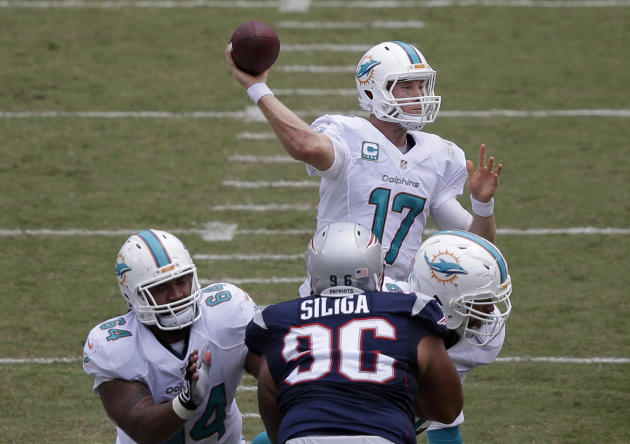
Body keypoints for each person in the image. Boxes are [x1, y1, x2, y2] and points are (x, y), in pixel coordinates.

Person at [226, 40, 503, 298]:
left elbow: (478, 249)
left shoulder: (438, 155)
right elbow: (305, 146)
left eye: (422, 86)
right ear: (373, 90)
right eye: (406, 87)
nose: (419, 96)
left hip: (394, 299)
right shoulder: (348, 135)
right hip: (335, 291)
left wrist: (482, 204)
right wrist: (258, 88)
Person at [245, 221, 463, 444]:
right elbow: (447, 409)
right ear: (378, 271)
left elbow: (270, 401)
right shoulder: (410, 312)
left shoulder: (278, 321)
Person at [82, 229, 259, 444]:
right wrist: (185, 402)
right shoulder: (113, 345)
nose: (176, 295)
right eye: (161, 288)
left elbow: (278, 374)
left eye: (181, 281)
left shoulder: (227, 312)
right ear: (134, 295)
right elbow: (143, 430)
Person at [406, 229, 513, 443]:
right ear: (444, 299)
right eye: (482, 301)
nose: (492, 309)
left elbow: (442, 416)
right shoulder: (391, 327)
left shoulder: (481, 336)